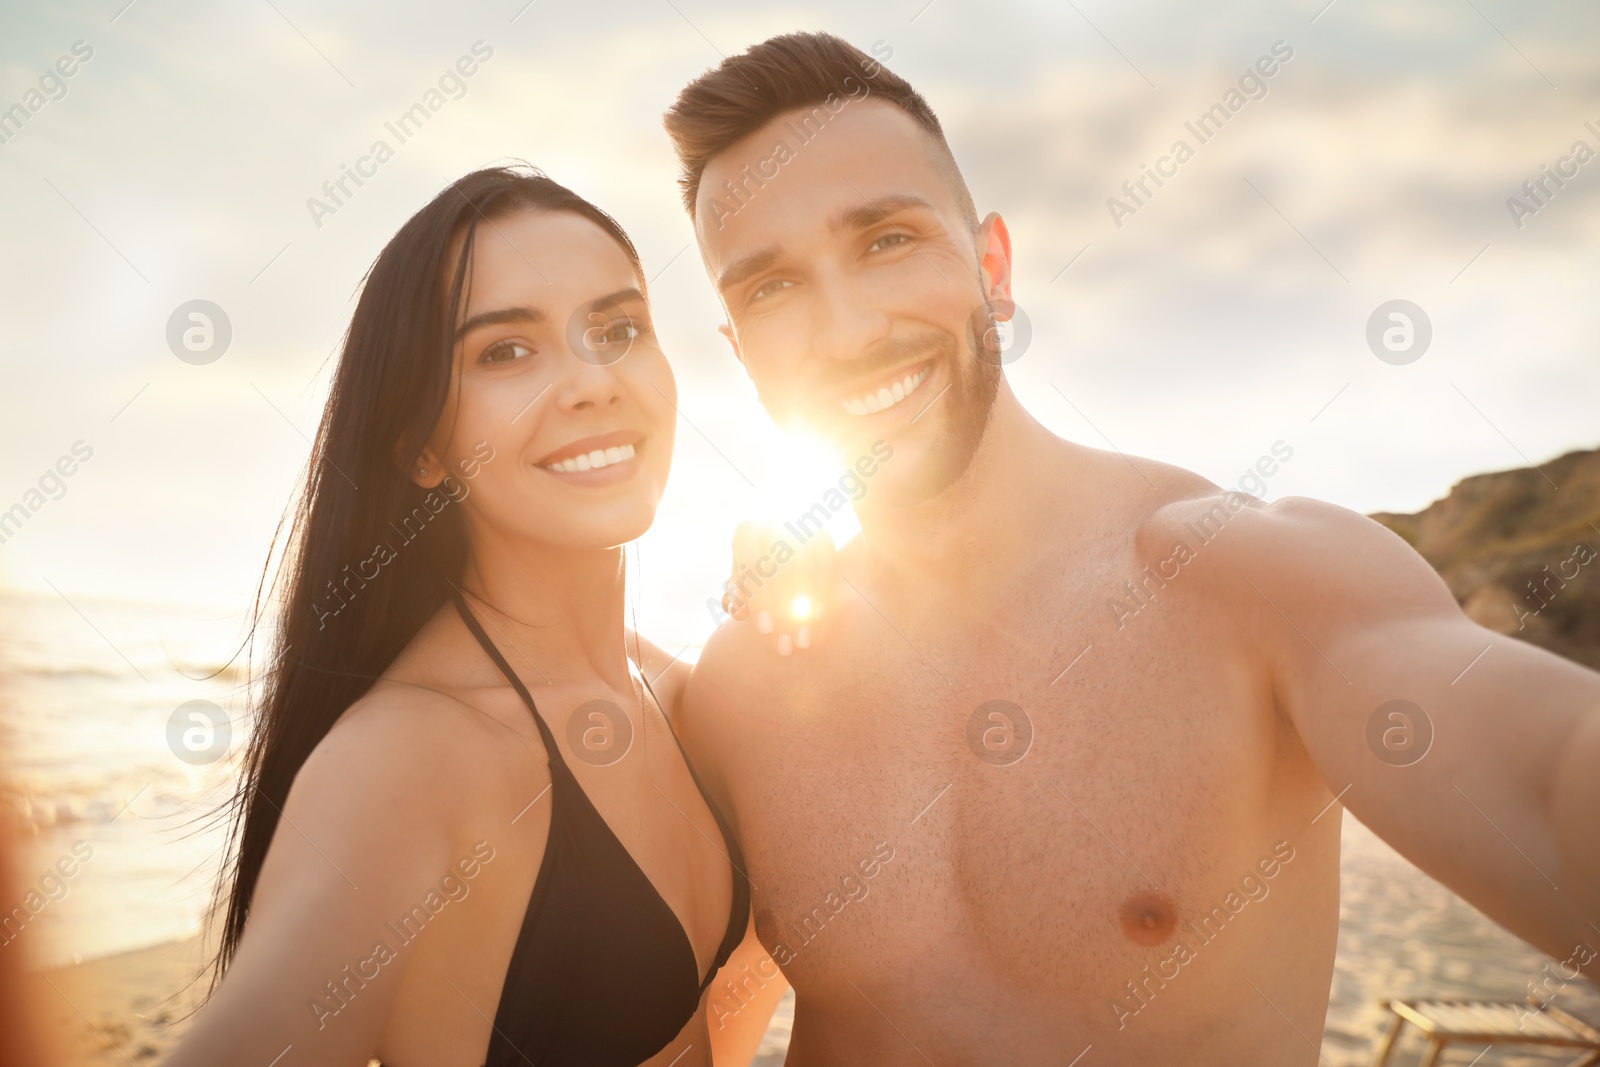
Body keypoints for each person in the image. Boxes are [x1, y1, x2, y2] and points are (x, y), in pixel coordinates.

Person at [666, 32, 1600, 1065]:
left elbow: (1548, 777)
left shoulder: (1248, 583)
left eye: (885, 239)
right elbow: (708, 1024)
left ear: (990, 267)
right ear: (740, 352)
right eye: (770, 288)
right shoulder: (743, 687)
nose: (844, 328)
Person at [163, 167, 782, 1067]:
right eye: (506, 352)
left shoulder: (672, 691)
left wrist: (808, 626)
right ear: (419, 447)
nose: (592, 382)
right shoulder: (409, 761)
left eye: (618, 329)